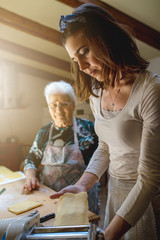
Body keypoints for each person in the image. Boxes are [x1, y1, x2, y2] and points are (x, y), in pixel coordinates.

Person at [49, 3, 160, 240]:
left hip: (147, 198)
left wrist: (109, 234)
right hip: (115, 191)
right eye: (74, 59)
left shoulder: (150, 90)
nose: (82, 67)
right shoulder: (97, 93)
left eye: (84, 51)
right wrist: (82, 185)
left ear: (107, 39)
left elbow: (151, 178)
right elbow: (105, 146)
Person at [22, 80, 99, 214]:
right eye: (53, 105)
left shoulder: (89, 129)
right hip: (50, 197)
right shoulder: (44, 132)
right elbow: (31, 160)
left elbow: (101, 160)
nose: (58, 110)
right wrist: (31, 177)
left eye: (64, 104)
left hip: (81, 196)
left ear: (73, 105)